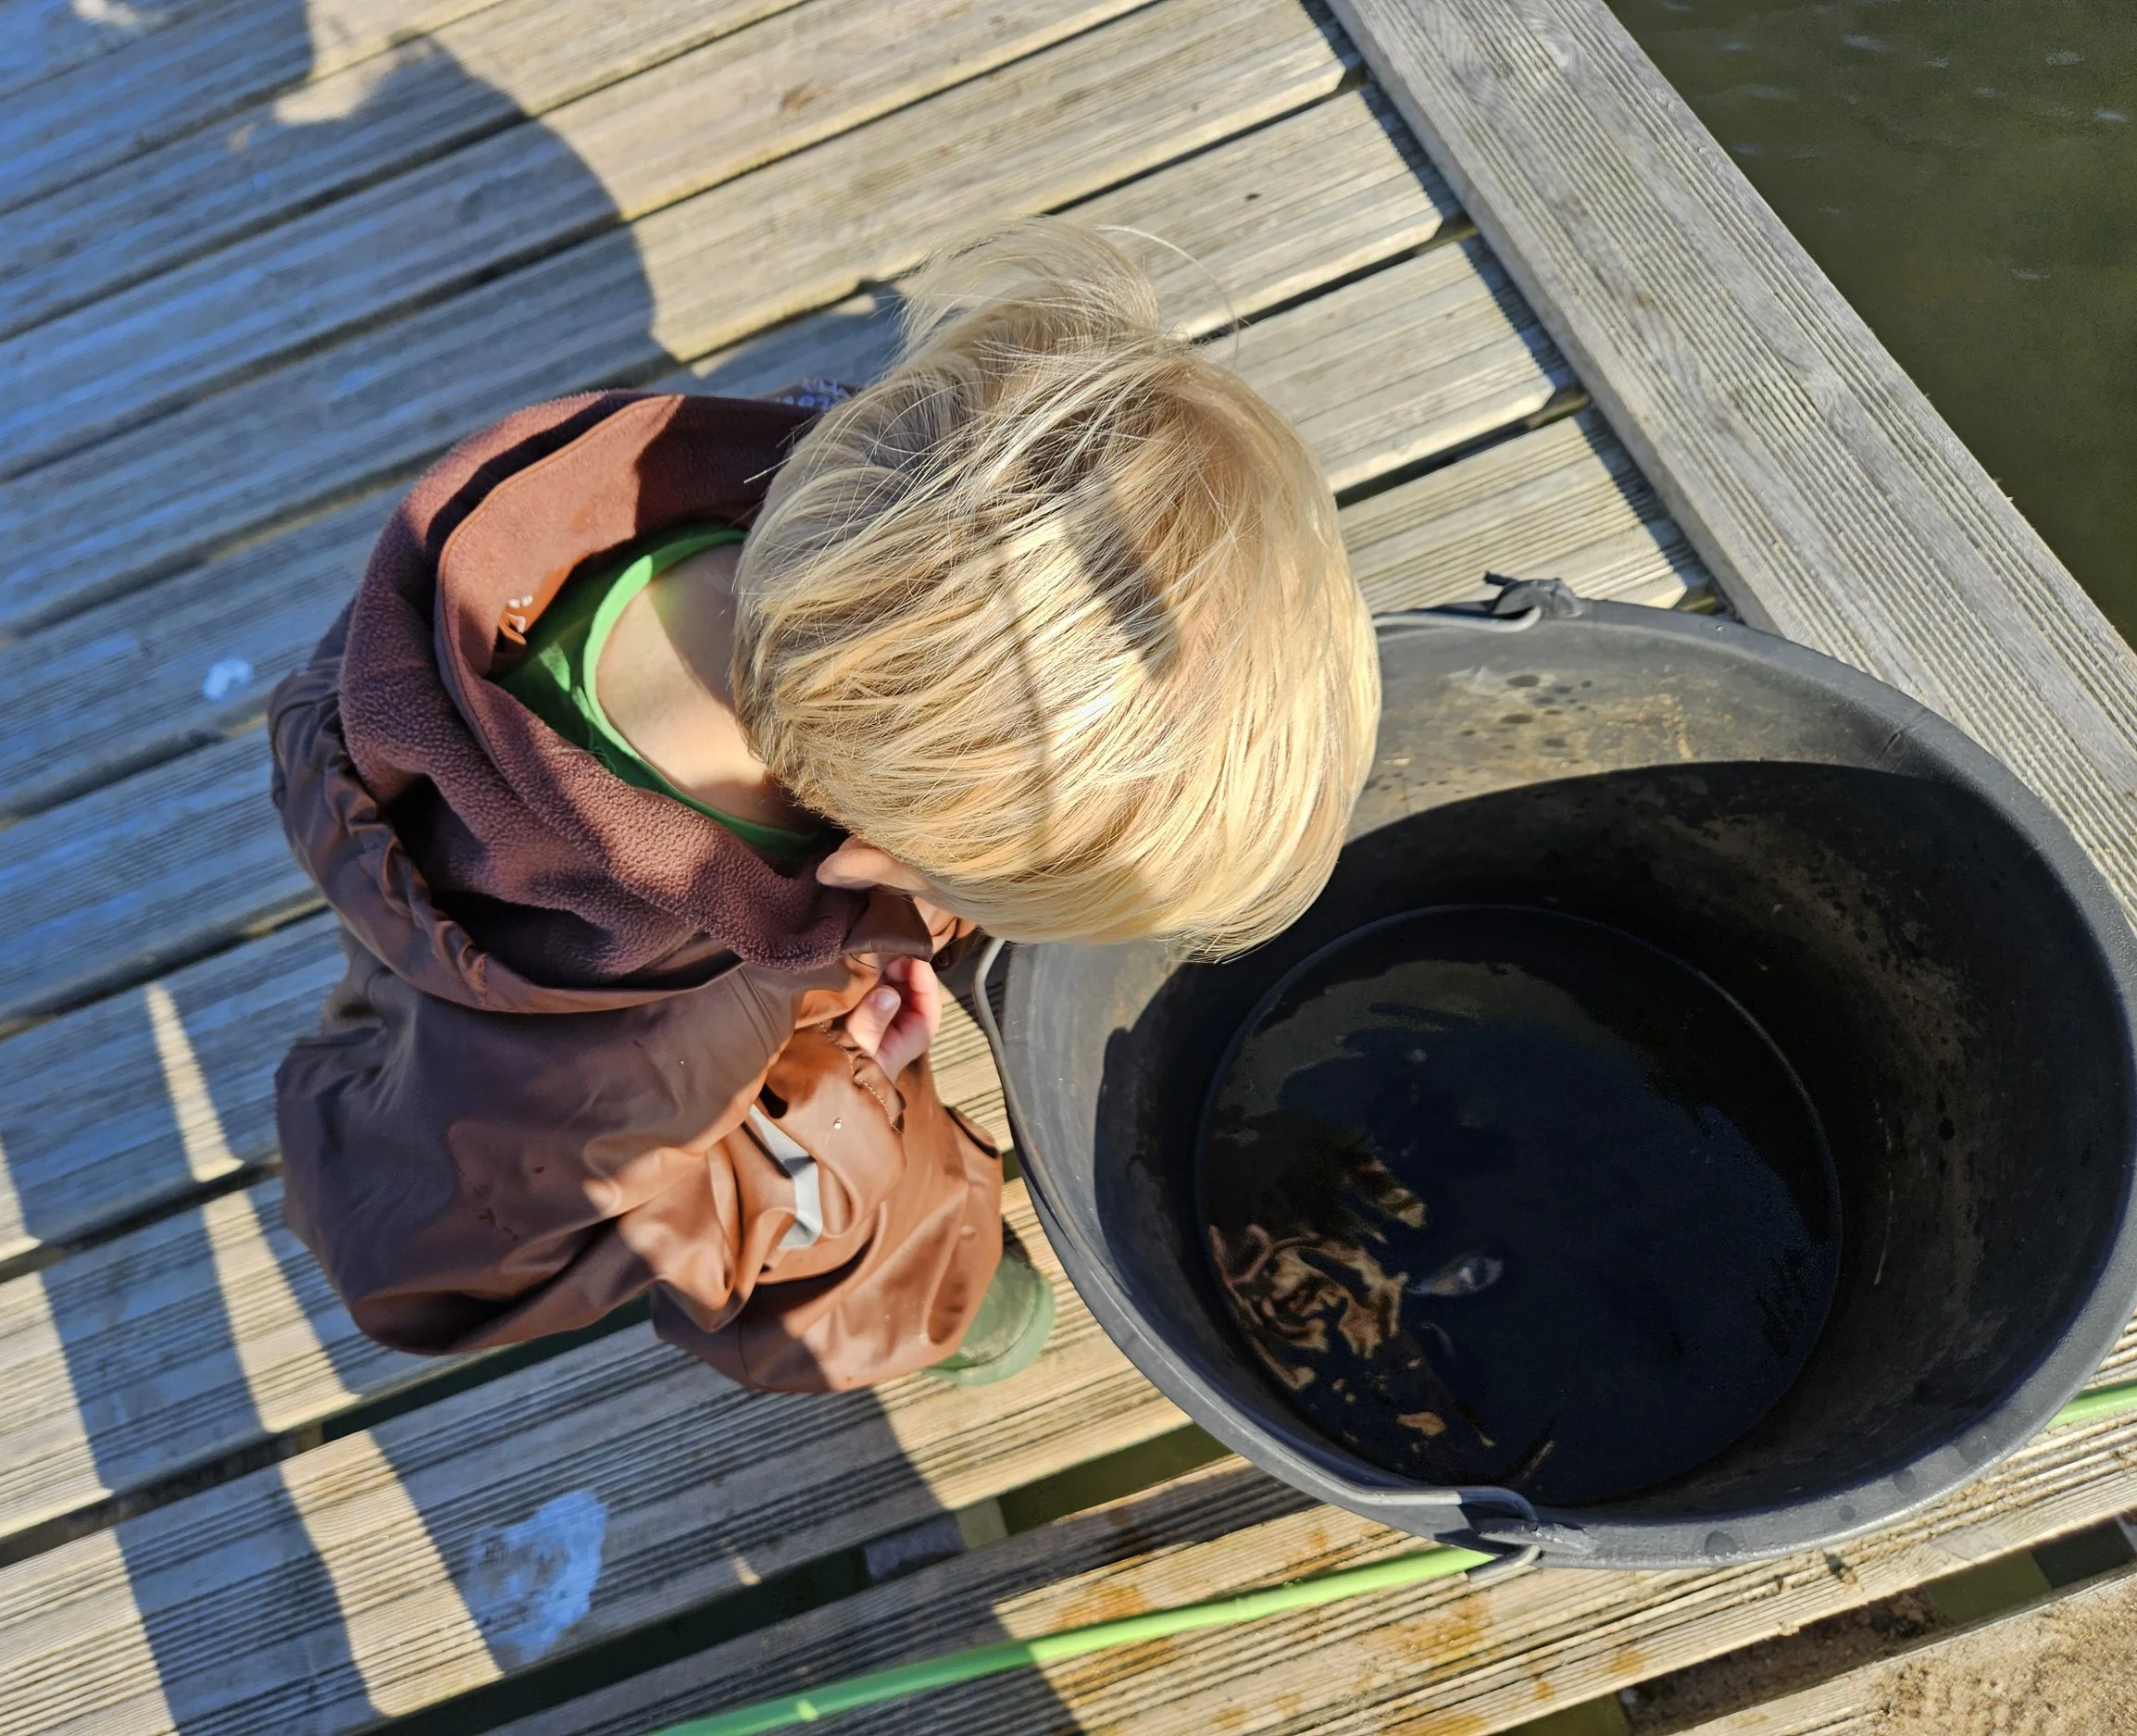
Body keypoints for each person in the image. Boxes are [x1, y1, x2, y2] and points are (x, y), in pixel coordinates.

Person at [267, 217, 1380, 1393]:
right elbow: (421, 1241)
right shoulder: (601, 1047)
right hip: (676, 1091)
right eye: (956, 888)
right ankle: (926, 1289)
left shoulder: (818, 499)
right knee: (844, 1182)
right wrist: (840, 1083)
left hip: (712, 912)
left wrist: (881, 926)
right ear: (869, 859)